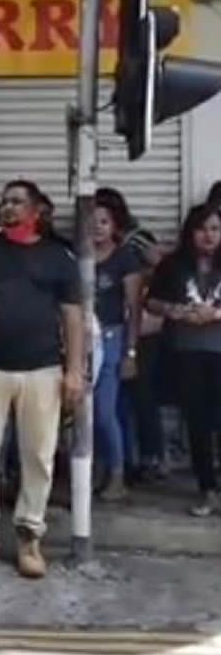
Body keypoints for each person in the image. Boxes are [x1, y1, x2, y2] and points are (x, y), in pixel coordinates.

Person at [0, 180, 84, 580]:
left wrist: (74, 370)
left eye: (17, 202)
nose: (8, 208)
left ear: (37, 209)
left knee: (38, 456)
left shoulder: (58, 257)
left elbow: (73, 316)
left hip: (43, 368)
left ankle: (29, 536)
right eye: (4, 201)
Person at [146, 205, 221, 516]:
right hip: (186, 351)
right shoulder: (173, 265)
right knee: (197, 422)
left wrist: (215, 314)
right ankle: (207, 490)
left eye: (215, 229)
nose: (209, 236)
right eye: (202, 229)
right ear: (190, 232)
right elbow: (151, 301)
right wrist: (174, 311)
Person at [92, 202, 142, 502]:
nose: (97, 227)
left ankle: (117, 473)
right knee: (83, 413)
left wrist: (130, 352)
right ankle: (95, 470)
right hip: (83, 338)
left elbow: (133, 309)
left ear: (114, 226)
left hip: (112, 337)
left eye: (104, 221)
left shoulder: (124, 258)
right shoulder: (76, 255)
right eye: (92, 221)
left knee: (104, 412)